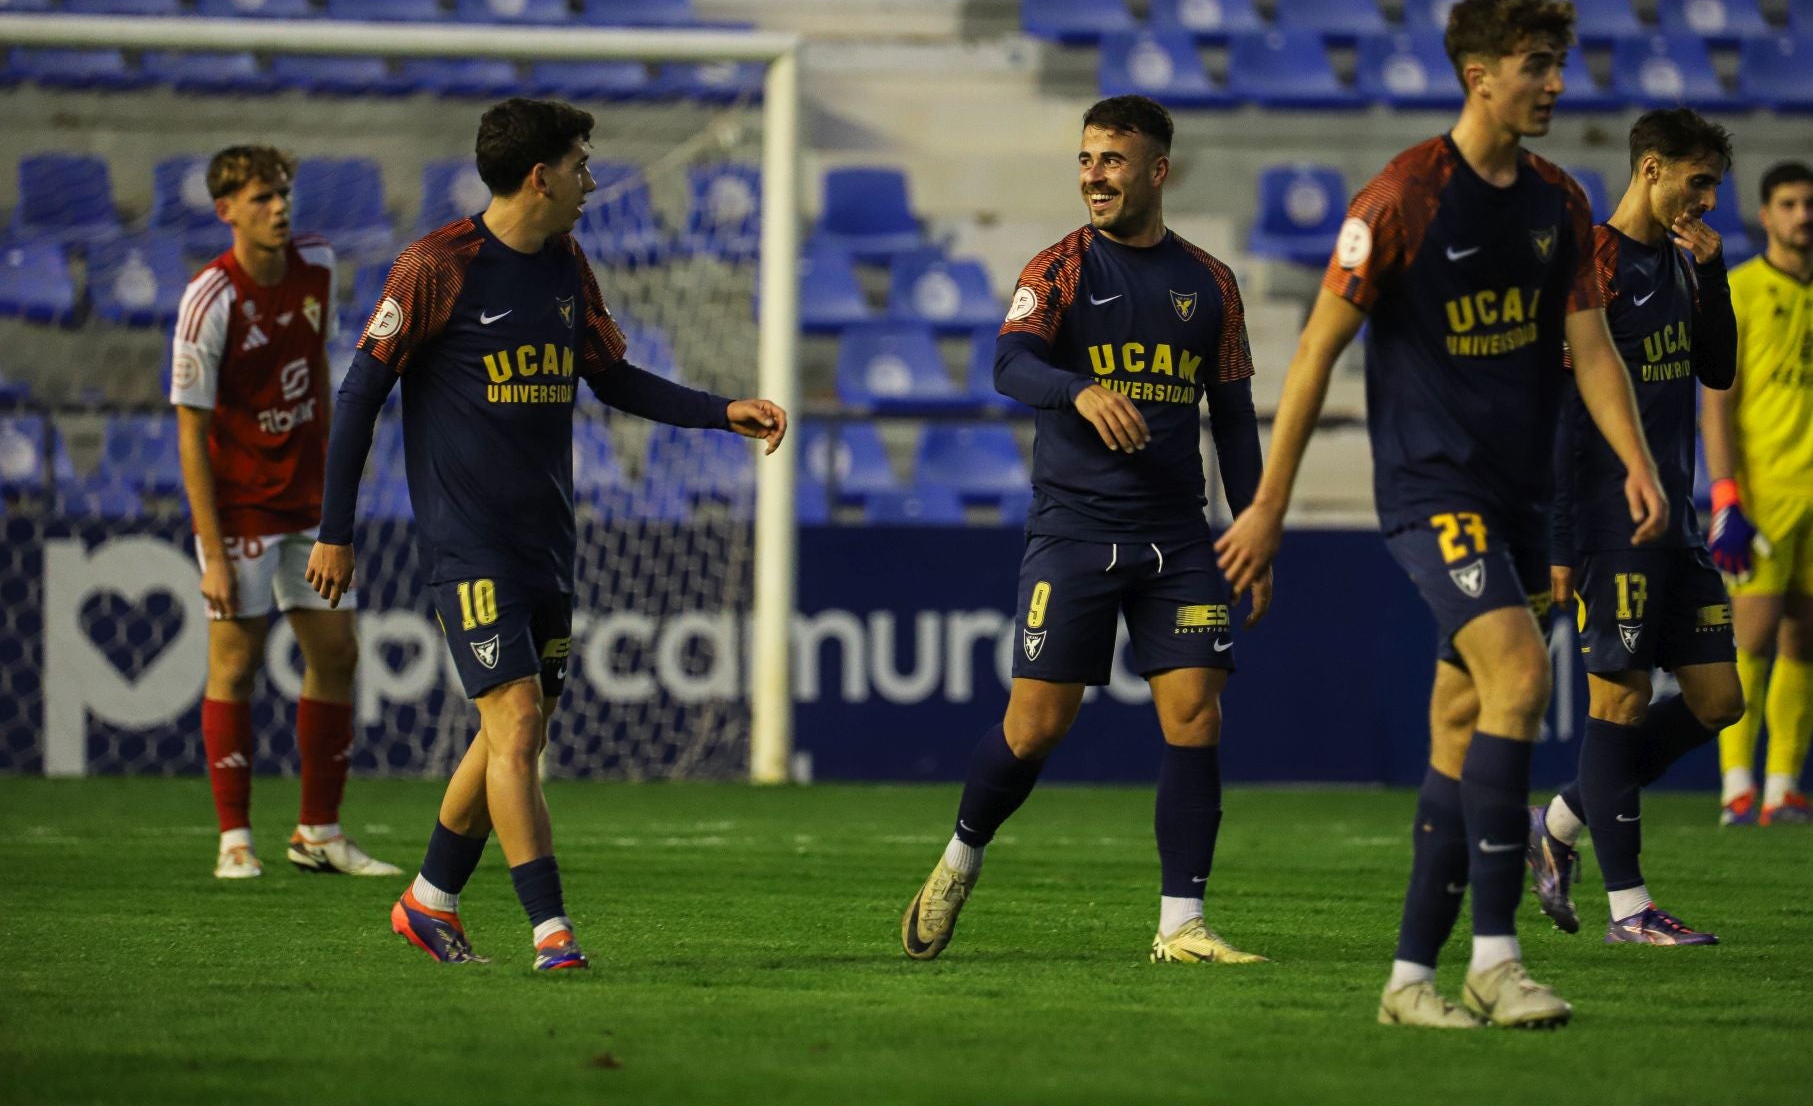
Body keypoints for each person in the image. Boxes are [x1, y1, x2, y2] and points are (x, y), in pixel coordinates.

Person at [1215, 0, 1669, 1029]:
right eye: (1537, 66)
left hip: (1526, 495)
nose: (1556, 84)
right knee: (1519, 673)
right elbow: (1318, 351)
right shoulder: (1401, 199)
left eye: (1558, 64)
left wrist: (1636, 464)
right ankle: (1496, 961)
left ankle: (1408, 981)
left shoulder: (1560, 202)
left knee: (1461, 724)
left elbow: (1592, 350)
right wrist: (1269, 503)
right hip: (1432, 486)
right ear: (1481, 76)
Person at [304, 98, 787, 970]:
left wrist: (723, 412)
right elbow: (357, 397)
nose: (591, 182)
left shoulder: (566, 263)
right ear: (541, 176)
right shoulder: (434, 267)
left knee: (508, 737)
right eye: (581, 166)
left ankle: (428, 901)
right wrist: (334, 532)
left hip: (547, 542)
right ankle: (551, 932)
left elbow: (614, 378)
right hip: (468, 542)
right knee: (518, 724)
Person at [900, 95, 1271, 965]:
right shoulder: (1060, 268)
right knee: (1036, 728)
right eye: (1084, 159)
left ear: (1156, 171)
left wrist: (1256, 523)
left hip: (1178, 536)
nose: (1094, 175)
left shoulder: (1210, 282)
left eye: (1111, 160)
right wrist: (1079, 389)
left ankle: (1181, 926)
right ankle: (960, 856)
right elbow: (1009, 362)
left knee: (1196, 716)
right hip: (1073, 528)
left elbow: (1236, 415)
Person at [1527, 109, 1744, 948]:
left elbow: (1717, 370)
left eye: (1714, 185)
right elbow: (1554, 414)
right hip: (1607, 518)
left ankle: (1559, 820)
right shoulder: (1594, 265)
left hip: (1676, 517)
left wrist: (1716, 277)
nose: (1708, 199)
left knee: (1718, 700)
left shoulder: (1686, 263)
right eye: (1698, 182)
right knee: (1620, 700)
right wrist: (1556, 540)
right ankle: (1631, 911)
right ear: (1651, 169)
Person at [171, 145, 399, 882]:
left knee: (337, 654)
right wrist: (209, 549)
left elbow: (321, 377)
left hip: (306, 503)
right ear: (227, 210)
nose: (279, 207)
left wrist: (334, 490)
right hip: (240, 510)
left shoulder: (317, 263)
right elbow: (190, 432)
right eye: (263, 197)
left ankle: (318, 833)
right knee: (234, 663)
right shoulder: (210, 298)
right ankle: (234, 839)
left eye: (284, 194)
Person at [1702, 162, 1813, 827]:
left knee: (1805, 640)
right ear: (1767, 214)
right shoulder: (1741, 290)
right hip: (1763, 494)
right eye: (1789, 204)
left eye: (1811, 203)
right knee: (1749, 636)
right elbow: (1717, 406)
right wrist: (1726, 497)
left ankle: (1783, 789)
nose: (1803, 214)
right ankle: (1736, 788)